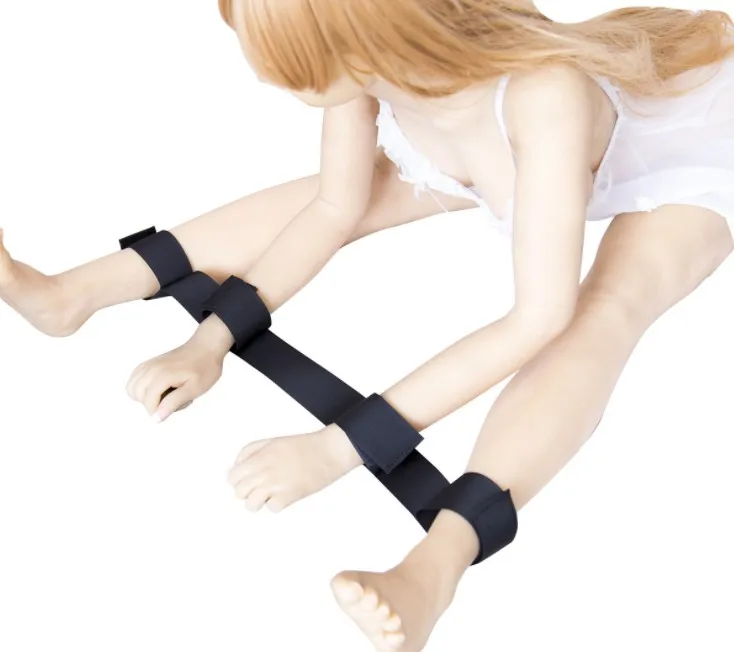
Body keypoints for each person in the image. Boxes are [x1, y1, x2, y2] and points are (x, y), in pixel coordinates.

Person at [1, 2, 732, 649]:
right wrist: (207, 341)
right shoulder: (369, 74)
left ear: (363, 39)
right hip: (516, 154)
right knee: (352, 187)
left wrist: (337, 448)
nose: (263, 77)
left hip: (694, 150)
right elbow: (332, 208)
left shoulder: (543, 100)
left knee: (603, 312)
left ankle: (435, 568)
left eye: (288, 62)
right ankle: (70, 294)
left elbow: (536, 319)